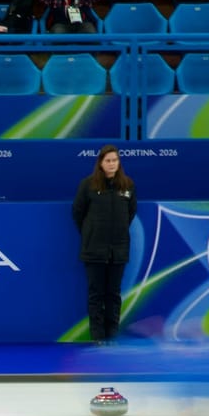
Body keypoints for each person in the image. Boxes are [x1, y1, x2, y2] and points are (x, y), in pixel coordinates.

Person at [71, 144, 137, 343]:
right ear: (100, 163)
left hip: (118, 250)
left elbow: (131, 213)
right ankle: (98, 337)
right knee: (96, 294)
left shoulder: (127, 186)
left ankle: (112, 335)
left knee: (113, 294)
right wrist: (91, 234)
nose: (111, 164)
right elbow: (77, 213)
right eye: (108, 161)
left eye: (115, 160)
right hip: (94, 250)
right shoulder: (88, 185)